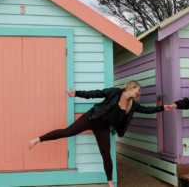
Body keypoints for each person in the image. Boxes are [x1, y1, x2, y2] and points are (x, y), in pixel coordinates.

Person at [28, 80, 172, 187]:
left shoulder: (132, 105)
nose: (138, 92)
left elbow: (147, 110)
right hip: (92, 117)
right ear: (132, 87)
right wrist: (77, 93)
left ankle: (110, 182)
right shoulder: (114, 92)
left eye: (139, 91)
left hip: (103, 128)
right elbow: (96, 93)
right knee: (67, 132)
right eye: (138, 89)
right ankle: (38, 139)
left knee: (106, 154)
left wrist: (162, 108)